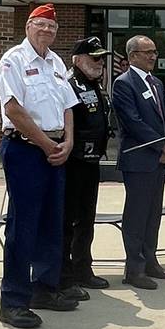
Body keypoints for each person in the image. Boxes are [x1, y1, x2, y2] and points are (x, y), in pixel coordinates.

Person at [0, 3, 80, 329]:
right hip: (26, 149)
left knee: (52, 224)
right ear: (28, 26)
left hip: (56, 149)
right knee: (24, 225)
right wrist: (47, 144)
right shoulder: (13, 60)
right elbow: (14, 109)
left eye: (52, 28)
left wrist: (68, 141)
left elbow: (69, 106)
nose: (47, 31)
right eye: (41, 25)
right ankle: (14, 299)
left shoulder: (56, 62)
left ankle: (45, 288)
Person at [113, 35, 165, 289]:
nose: (153, 56)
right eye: (147, 52)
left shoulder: (157, 84)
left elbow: (164, 119)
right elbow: (133, 123)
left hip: (158, 162)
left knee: (153, 215)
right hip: (139, 160)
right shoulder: (124, 84)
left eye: (154, 51)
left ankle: (151, 261)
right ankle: (134, 269)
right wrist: (163, 146)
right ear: (132, 56)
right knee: (137, 216)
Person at [59, 37, 115, 299]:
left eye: (101, 58)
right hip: (73, 163)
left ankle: (83, 268)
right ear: (78, 59)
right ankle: (66, 275)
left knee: (86, 219)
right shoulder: (69, 84)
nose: (100, 63)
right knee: (68, 221)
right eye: (95, 58)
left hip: (91, 163)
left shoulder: (94, 83)